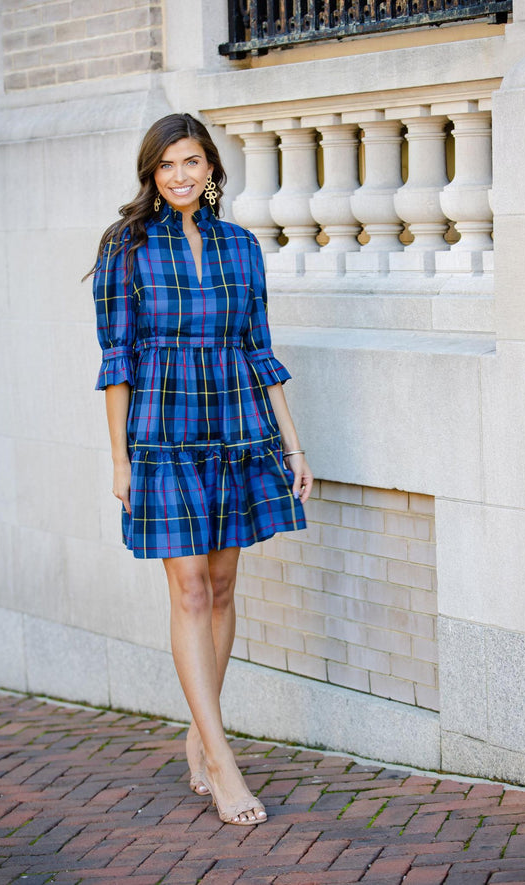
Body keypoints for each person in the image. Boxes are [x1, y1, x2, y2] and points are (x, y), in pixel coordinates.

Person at [89, 113, 314, 827]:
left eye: (192, 162)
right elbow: (116, 363)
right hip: (161, 432)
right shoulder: (126, 249)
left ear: (211, 166)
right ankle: (221, 760)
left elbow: (259, 350)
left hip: (236, 427)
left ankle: (198, 731)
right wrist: (120, 457)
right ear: (151, 175)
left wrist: (294, 446)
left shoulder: (241, 248)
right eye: (167, 166)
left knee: (220, 585)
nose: (181, 176)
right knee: (187, 587)